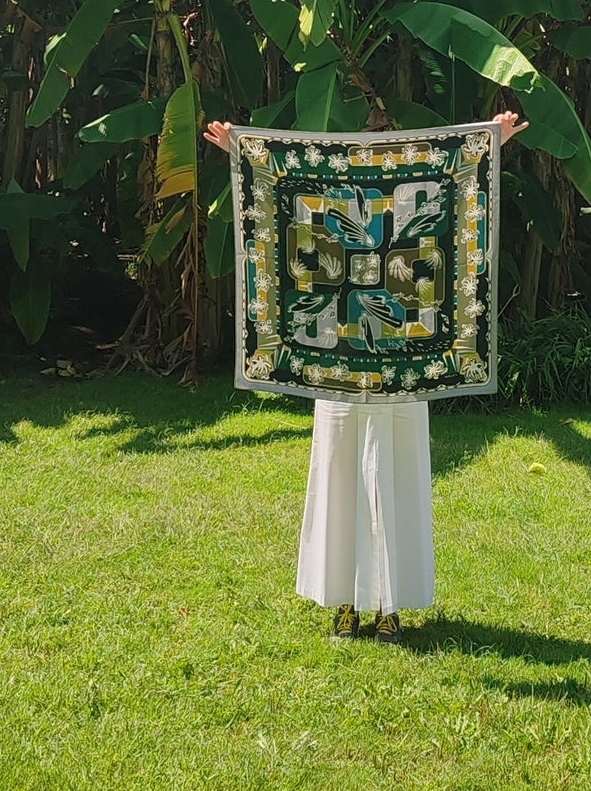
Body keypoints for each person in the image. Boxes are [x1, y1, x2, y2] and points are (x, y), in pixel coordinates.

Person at [204, 109, 527, 644]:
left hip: (404, 368)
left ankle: (389, 607)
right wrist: (239, 146)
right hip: (337, 367)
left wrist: (491, 140)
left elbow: (454, 190)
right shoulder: (330, 201)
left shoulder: (414, 197)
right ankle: (347, 602)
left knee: (396, 480)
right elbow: (283, 192)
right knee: (341, 479)